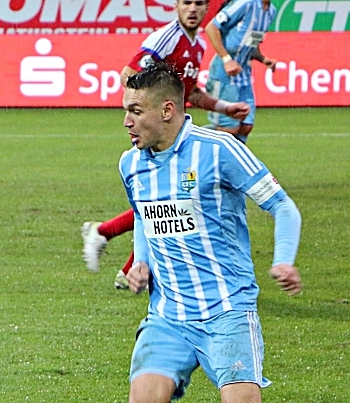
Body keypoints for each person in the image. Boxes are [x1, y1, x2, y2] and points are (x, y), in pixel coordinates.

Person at [118, 62, 330, 403]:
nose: (127, 121)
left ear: (167, 110)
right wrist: (141, 261)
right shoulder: (131, 163)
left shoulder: (219, 150)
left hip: (226, 310)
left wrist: (284, 259)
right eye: (125, 112)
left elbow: (282, 205)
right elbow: (144, 217)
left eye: (135, 111)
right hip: (169, 313)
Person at [81, 0, 249, 289]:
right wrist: (148, 114)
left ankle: (119, 253)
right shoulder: (166, 38)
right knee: (165, 200)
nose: (193, 9)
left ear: (207, 8)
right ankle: (117, 249)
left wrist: (224, 108)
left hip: (176, 130)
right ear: (176, 6)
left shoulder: (195, 45)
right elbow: (128, 75)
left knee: (167, 201)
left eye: (199, 4)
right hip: (159, 131)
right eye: (187, 3)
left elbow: (192, 93)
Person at [204, 0, 278, 143]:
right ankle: (187, 139)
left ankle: (231, 163)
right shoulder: (245, 3)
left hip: (243, 75)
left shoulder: (271, 11)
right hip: (224, 74)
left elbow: (252, 41)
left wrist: (262, 59)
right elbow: (211, 27)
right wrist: (227, 59)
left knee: (246, 126)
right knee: (228, 129)